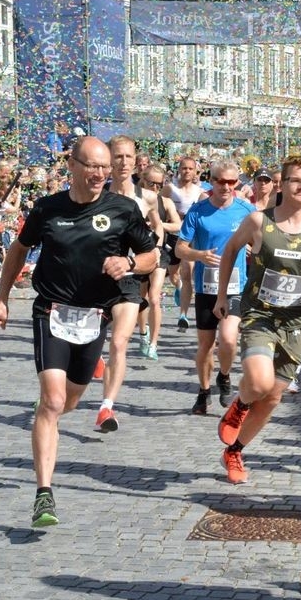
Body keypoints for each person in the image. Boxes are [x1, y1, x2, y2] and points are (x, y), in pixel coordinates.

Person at [0, 136, 157, 527]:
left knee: (72, 400)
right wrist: (2, 298)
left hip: (94, 315)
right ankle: (44, 495)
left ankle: (51, 413)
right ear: (73, 166)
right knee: (51, 401)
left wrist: (129, 263)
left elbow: (151, 255)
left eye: (105, 167)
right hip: (51, 310)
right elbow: (18, 250)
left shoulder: (123, 209)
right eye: (92, 166)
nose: (100, 174)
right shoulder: (48, 208)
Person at [212, 156, 301, 484]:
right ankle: (240, 404)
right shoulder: (258, 221)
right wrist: (223, 296)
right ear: (282, 184)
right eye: (294, 180)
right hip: (260, 315)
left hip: (296, 321)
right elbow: (230, 251)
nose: (300, 187)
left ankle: (235, 451)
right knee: (258, 383)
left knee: (272, 397)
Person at [176, 159, 256, 416]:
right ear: (211, 181)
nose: (226, 186)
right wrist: (199, 255)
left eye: (231, 182)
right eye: (220, 181)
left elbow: (261, 239)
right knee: (206, 345)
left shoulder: (245, 209)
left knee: (229, 339)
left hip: (235, 287)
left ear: (237, 183)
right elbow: (180, 248)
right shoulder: (198, 211)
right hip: (205, 288)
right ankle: (203, 390)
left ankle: (224, 375)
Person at [96, 135, 163, 431]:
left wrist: (152, 244)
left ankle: (106, 407)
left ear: (136, 160)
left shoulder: (146, 196)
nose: (124, 162)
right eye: (118, 157)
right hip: (95, 278)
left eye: (128, 157)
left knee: (119, 342)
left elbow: (159, 226)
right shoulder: (95, 194)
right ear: (109, 160)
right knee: (80, 343)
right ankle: (54, 394)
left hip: (130, 275)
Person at [138, 163, 180, 361]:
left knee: (154, 297)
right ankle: (143, 334)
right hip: (137, 254)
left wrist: (157, 224)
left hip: (159, 252)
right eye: (151, 183)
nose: (155, 187)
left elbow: (177, 224)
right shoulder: (133, 201)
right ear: (142, 180)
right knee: (141, 298)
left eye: (159, 184)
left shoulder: (165, 202)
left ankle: (154, 343)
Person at [164, 156, 204, 331]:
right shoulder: (169, 189)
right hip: (173, 236)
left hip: (190, 239)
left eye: (190, 168)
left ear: (196, 171)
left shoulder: (200, 193)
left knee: (187, 274)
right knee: (174, 275)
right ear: (179, 170)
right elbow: (158, 209)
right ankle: (178, 287)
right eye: (184, 168)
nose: (187, 171)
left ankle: (183, 315)